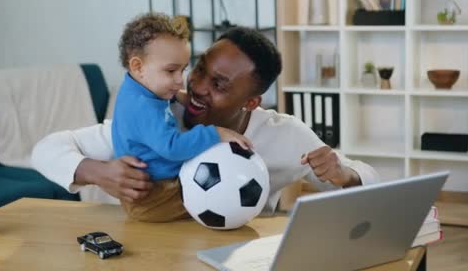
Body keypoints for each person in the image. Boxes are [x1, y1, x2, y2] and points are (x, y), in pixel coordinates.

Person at [32, 26, 380, 218]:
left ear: (252, 102)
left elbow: (368, 182)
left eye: (219, 85)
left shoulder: (285, 134)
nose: (196, 87)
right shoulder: (162, 118)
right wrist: (98, 172)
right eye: (198, 70)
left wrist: (344, 173)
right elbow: (46, 149)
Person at [110, 13, 252, 222]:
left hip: (158, 186)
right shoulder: (142, 108)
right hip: (155, 195)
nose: (180, 80)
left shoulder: (138, 89)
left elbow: (161, 99)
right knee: (221, 201)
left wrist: (179, 97)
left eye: (183, 69)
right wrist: (215, 133)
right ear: (137, 66)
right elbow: (172, 147)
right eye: (171, 71)